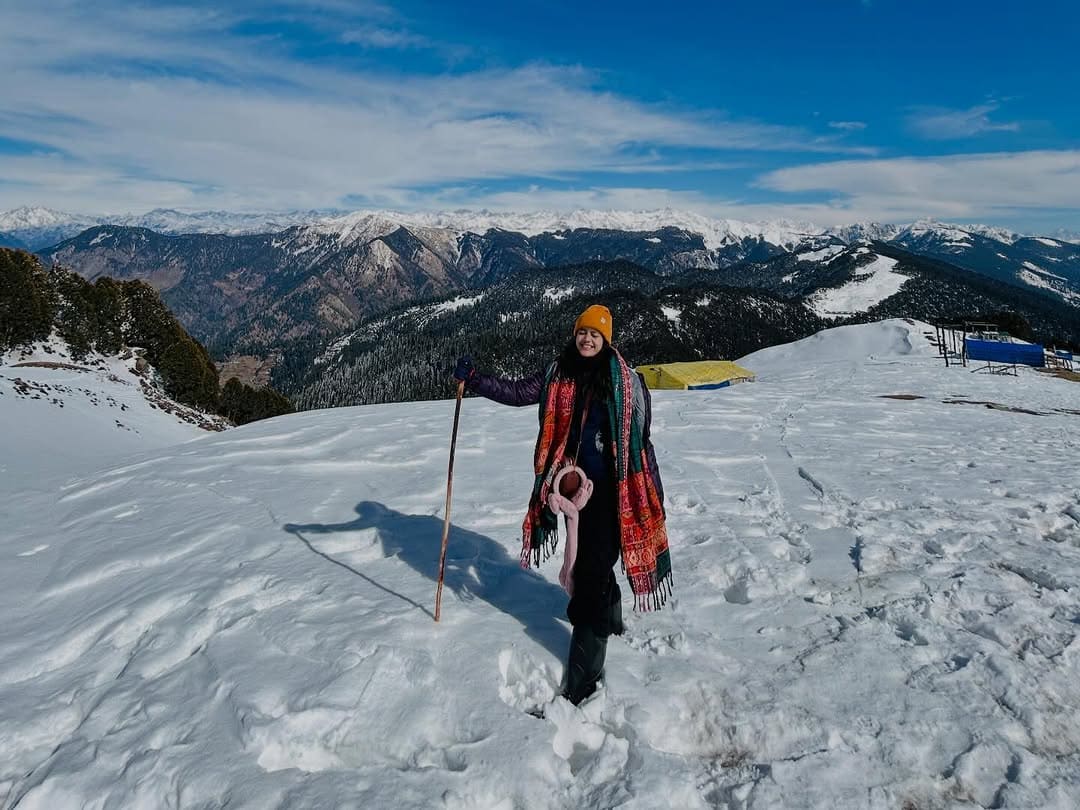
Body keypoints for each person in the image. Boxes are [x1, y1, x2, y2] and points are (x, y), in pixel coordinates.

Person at [453, 304, 672, 705]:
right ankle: (613, 620)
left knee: (589, 574)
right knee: (593, 563)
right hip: (572, 490)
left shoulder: (627, 383)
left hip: (614, 494)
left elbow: (643, 444)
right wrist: (476, 380)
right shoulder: (559, 373)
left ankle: (582, 680)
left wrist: (652, 493)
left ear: (607, 340)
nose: (587, 340)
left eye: (596, 334)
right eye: (582, 333)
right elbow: (519, 392)